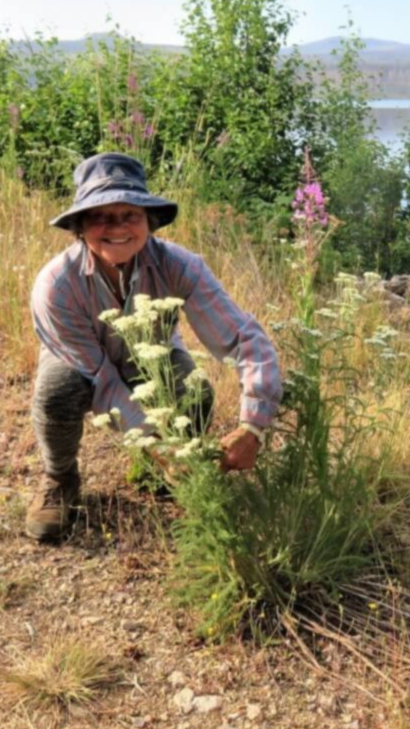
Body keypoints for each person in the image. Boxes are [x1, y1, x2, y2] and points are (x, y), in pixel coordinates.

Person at [26, 152, 282, 541]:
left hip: (152, 354)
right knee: (56, 392)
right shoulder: (56, 286)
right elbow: (101, 379)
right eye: (101, 216)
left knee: (194, 391)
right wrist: (156, 442)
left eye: (130, 214)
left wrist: (254, 427)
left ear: (149, 222)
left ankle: (165, 472)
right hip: (83, 362)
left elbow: (241, 338)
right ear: (80, 227)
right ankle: (61, 479)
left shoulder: (180, 265)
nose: (117, 227)